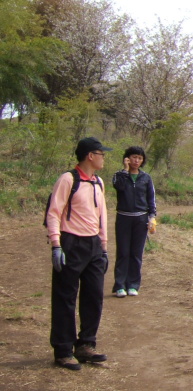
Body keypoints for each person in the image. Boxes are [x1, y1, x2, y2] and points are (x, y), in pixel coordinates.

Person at [45, 137, 111, 370]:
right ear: (90, 156)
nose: (104, 157)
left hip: (93, 244)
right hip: (71, 242)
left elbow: (102, 215)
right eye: (101, 153)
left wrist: (103, 247)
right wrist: (56, 244)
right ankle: (63, 350)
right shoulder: (68, 179)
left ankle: (86, 345)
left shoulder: (98, 182)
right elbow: (54, 213)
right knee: (65, 297)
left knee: (94, 296)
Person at [111, 146, 157, 297]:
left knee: (136, 253)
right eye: (133, 157)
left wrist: (152, 217)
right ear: (127, 158)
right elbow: (120, 187)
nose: (136, 161)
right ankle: (119, 285)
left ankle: (133, 285)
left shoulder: (146, 178)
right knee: (123, 252)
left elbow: (151, 199)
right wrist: (125, 170)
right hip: (123, 217)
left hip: (140, 219)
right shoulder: (119, 175)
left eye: (139, 158)